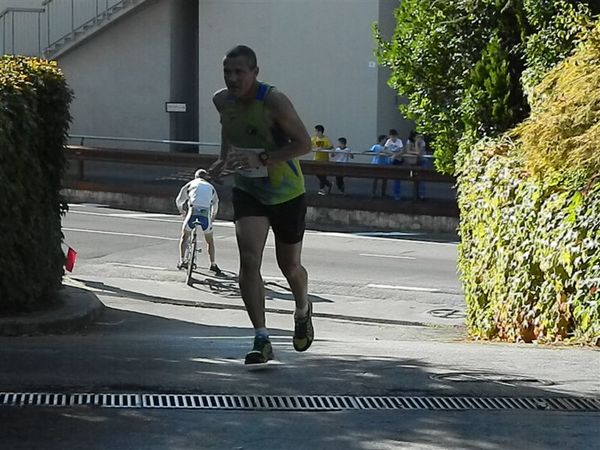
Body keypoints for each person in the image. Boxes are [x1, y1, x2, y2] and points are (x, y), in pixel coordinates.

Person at [209, 45, 314, 366]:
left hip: (286, 193)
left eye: (239, 72)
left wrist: (263, 157)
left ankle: (302, 307)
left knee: (289, 267)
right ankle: (261, 338)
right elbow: (230, 129)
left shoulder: (273, 101)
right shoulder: (221, 100)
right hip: (248, 190)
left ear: (255, 72)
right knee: (248, 260)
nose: (232, 78)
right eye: (227, 72)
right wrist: (224, 161)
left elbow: (304, 144)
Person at [175, 169, 221, 274]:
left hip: (193, 211)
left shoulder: (190, 184)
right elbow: (215, 203)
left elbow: (179, 200)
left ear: (195, 177)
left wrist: (181, 210)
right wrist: (213, 216)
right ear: (205, 178)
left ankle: (182, 260)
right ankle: (213, 264)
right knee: (210, 240)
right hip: (205, 213)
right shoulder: (211, 187)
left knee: (185, 236)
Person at [311, 124, 333, 195]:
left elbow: (331, 147)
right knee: (317, 173)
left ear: (320, 132)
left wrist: (323, 149)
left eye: (316, 131)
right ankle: (328, 183)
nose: (315, 133)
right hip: (316, 159)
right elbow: (309, 145)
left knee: (323, 174)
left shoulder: (326, 139)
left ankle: (321, 189)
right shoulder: (313, 138)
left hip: (324, 159)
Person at [385, 129, 404, 200]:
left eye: (394, 136)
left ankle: (397, 194)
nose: (393, 138)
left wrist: (395, 155)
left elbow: (402, 151)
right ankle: (387, 193)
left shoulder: (399, 141)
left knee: (397, 178)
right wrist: (392, 154)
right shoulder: (388, 141)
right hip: (390, 159)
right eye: (392, 136)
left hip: (397, 160)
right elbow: (385, 149)